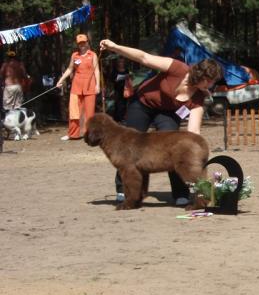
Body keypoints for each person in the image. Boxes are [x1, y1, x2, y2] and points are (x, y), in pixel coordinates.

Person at [99, 39, 223, 206]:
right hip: (143, 104)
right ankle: (124, 190)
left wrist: (196, 154)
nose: (212, 85)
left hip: (167, 113)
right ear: (201, 76)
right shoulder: (178, 68)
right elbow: (144, 57)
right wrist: (115, 47)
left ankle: (181, 193)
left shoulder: (199, 98)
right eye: (210, 81)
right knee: (127, 145)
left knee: (175, 146)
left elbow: (193, 131)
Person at [56, 34, 101, 141]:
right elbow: (70, 69)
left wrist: (98, 85)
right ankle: (73, 134)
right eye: (80, 43)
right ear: (77, 44)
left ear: (87, 43)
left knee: (89, 112)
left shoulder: (93, 55)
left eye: (84, 43)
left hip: (90, 86)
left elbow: (96, 70)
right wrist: (60, 80)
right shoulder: (75, 56)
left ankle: (89, 135)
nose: (82, 45)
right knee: (74, 111)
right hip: (76, 87)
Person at [110, 56, 131, 122]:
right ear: (117, 63)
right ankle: (117, 118)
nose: (121, 63)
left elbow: (129, 79)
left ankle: (122, 117)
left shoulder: (126, 70)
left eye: (122, 62)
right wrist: (118, 79)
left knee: (124, 104)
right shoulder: (114, 71)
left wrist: (128, 77)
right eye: (120, 62)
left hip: (125, 89)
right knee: (118, 104)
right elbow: (112, 80)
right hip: (117, 89)